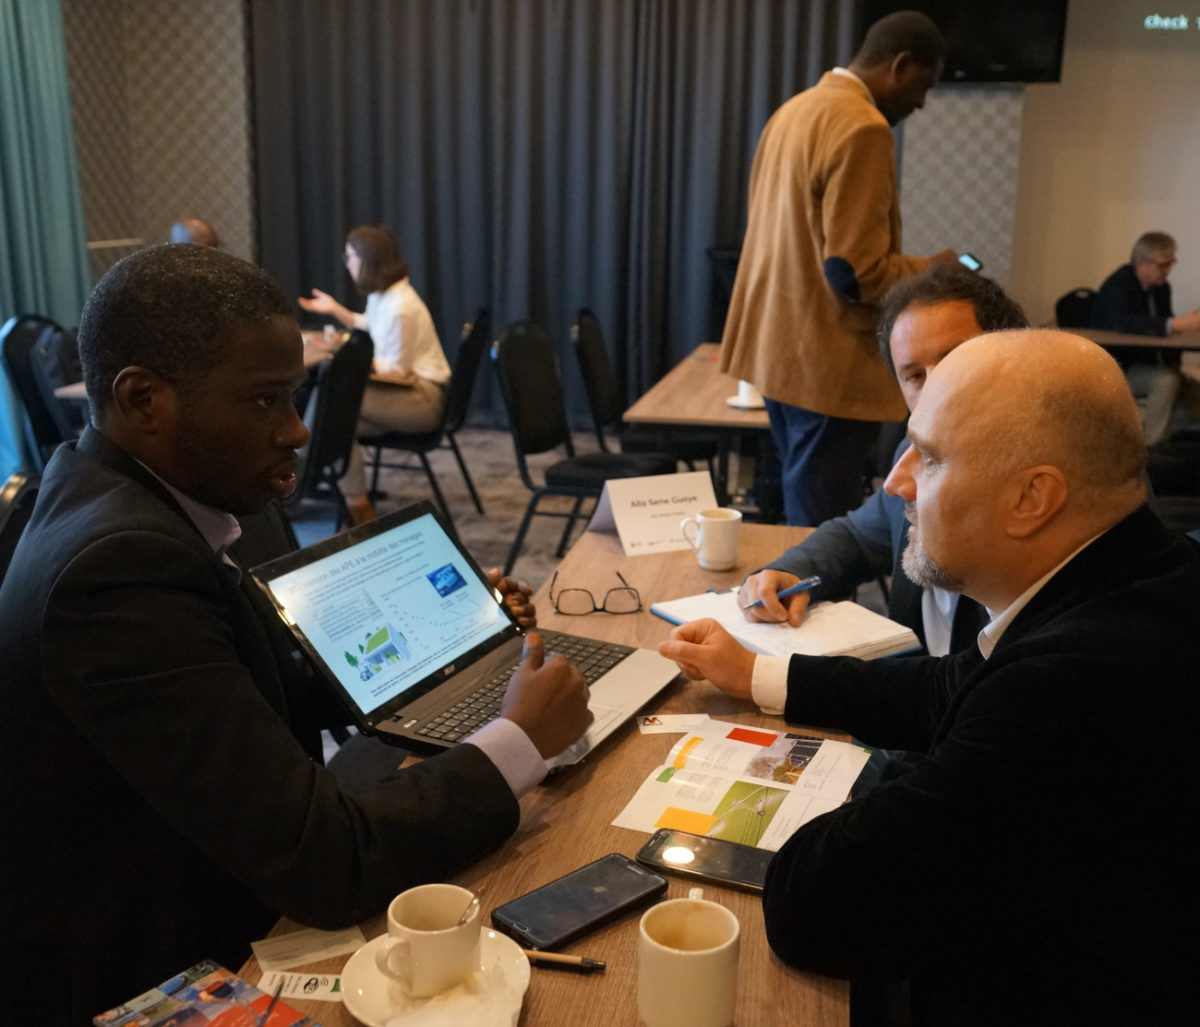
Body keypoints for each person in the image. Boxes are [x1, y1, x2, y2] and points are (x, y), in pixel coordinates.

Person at [0, 243, 592, 1023]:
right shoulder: (116, 572)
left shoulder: (131, 492)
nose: (297, 430)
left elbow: (247, 677)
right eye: (262, 401)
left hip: (215, 867)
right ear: (143, 400)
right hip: (153, 962)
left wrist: (444, 632)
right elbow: (327, 863)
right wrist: (519, 738)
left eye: (293, 395)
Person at [660, 330, 1200, 1022]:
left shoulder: (1076, 683)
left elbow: (813, 902)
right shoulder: (1142, 572)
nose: (896, 481)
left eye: (931, 456)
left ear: (1032, 497)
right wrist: (759, 675)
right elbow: (951, 685)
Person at [719, 10, 957, 527]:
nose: (921, 103)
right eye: (923, 85)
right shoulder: (864, 126)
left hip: (776, 349)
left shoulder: (794, 110)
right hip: (826, 364)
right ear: (900, 65)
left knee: (796, 512)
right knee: (821, 529)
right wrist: (934, 270)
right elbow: (854, 273)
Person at [740, 265, 1028, 656]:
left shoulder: (1042, 484)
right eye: (914, 375)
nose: (935, 387)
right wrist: (790, 571)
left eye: (955, 360)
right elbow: (857, 536)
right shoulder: (912, 459)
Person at [299, 225, 451, 524]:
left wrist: (346, 358)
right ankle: (358, 506)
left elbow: (396, 369)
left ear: (366, 260)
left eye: (350, 256)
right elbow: (368, 324)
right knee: (340, 424)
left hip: (423, 399)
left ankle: (301, 468)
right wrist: (335, 310)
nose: (347, 263)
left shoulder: (400, 306)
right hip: (407, 392)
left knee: (331, 399)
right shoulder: (385, 295)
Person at [1091, 230, 1200, 446]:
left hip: (1148, 364)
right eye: (1162, 265)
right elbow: (1124, 323)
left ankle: (1179, 442)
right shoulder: (1118, 285)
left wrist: (1179, 334)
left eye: (1171, 264)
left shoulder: (1161, 288)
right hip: (1116, 367)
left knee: (1191, 388)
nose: (1167, 271)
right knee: (1166, 381)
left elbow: (1164, 327)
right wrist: (1176, 324)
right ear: (1141, 263)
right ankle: (1151, 448)